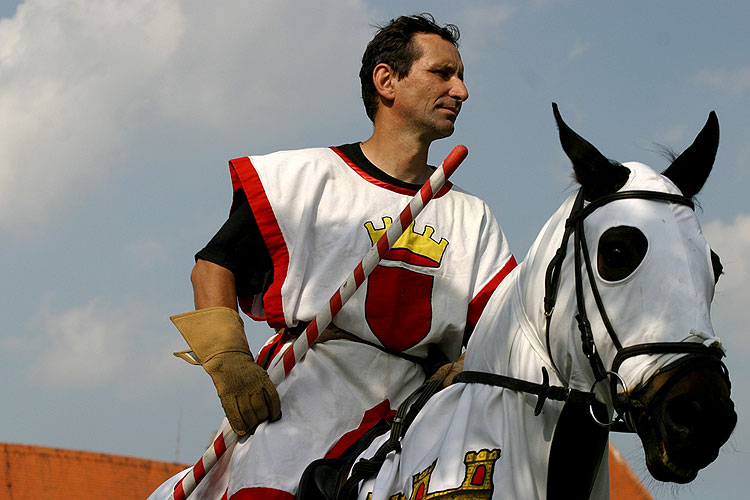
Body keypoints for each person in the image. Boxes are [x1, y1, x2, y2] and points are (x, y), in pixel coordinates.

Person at [150, 13, 516, 500]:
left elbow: (503, 325)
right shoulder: (304, 178)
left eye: (462, 77)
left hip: (420, 408)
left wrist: (466, 366)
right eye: (442, 73)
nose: (461, 91)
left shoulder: (473, 216)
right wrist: (230, 362)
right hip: (308, 387)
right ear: (387, 80)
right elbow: (213, 267)